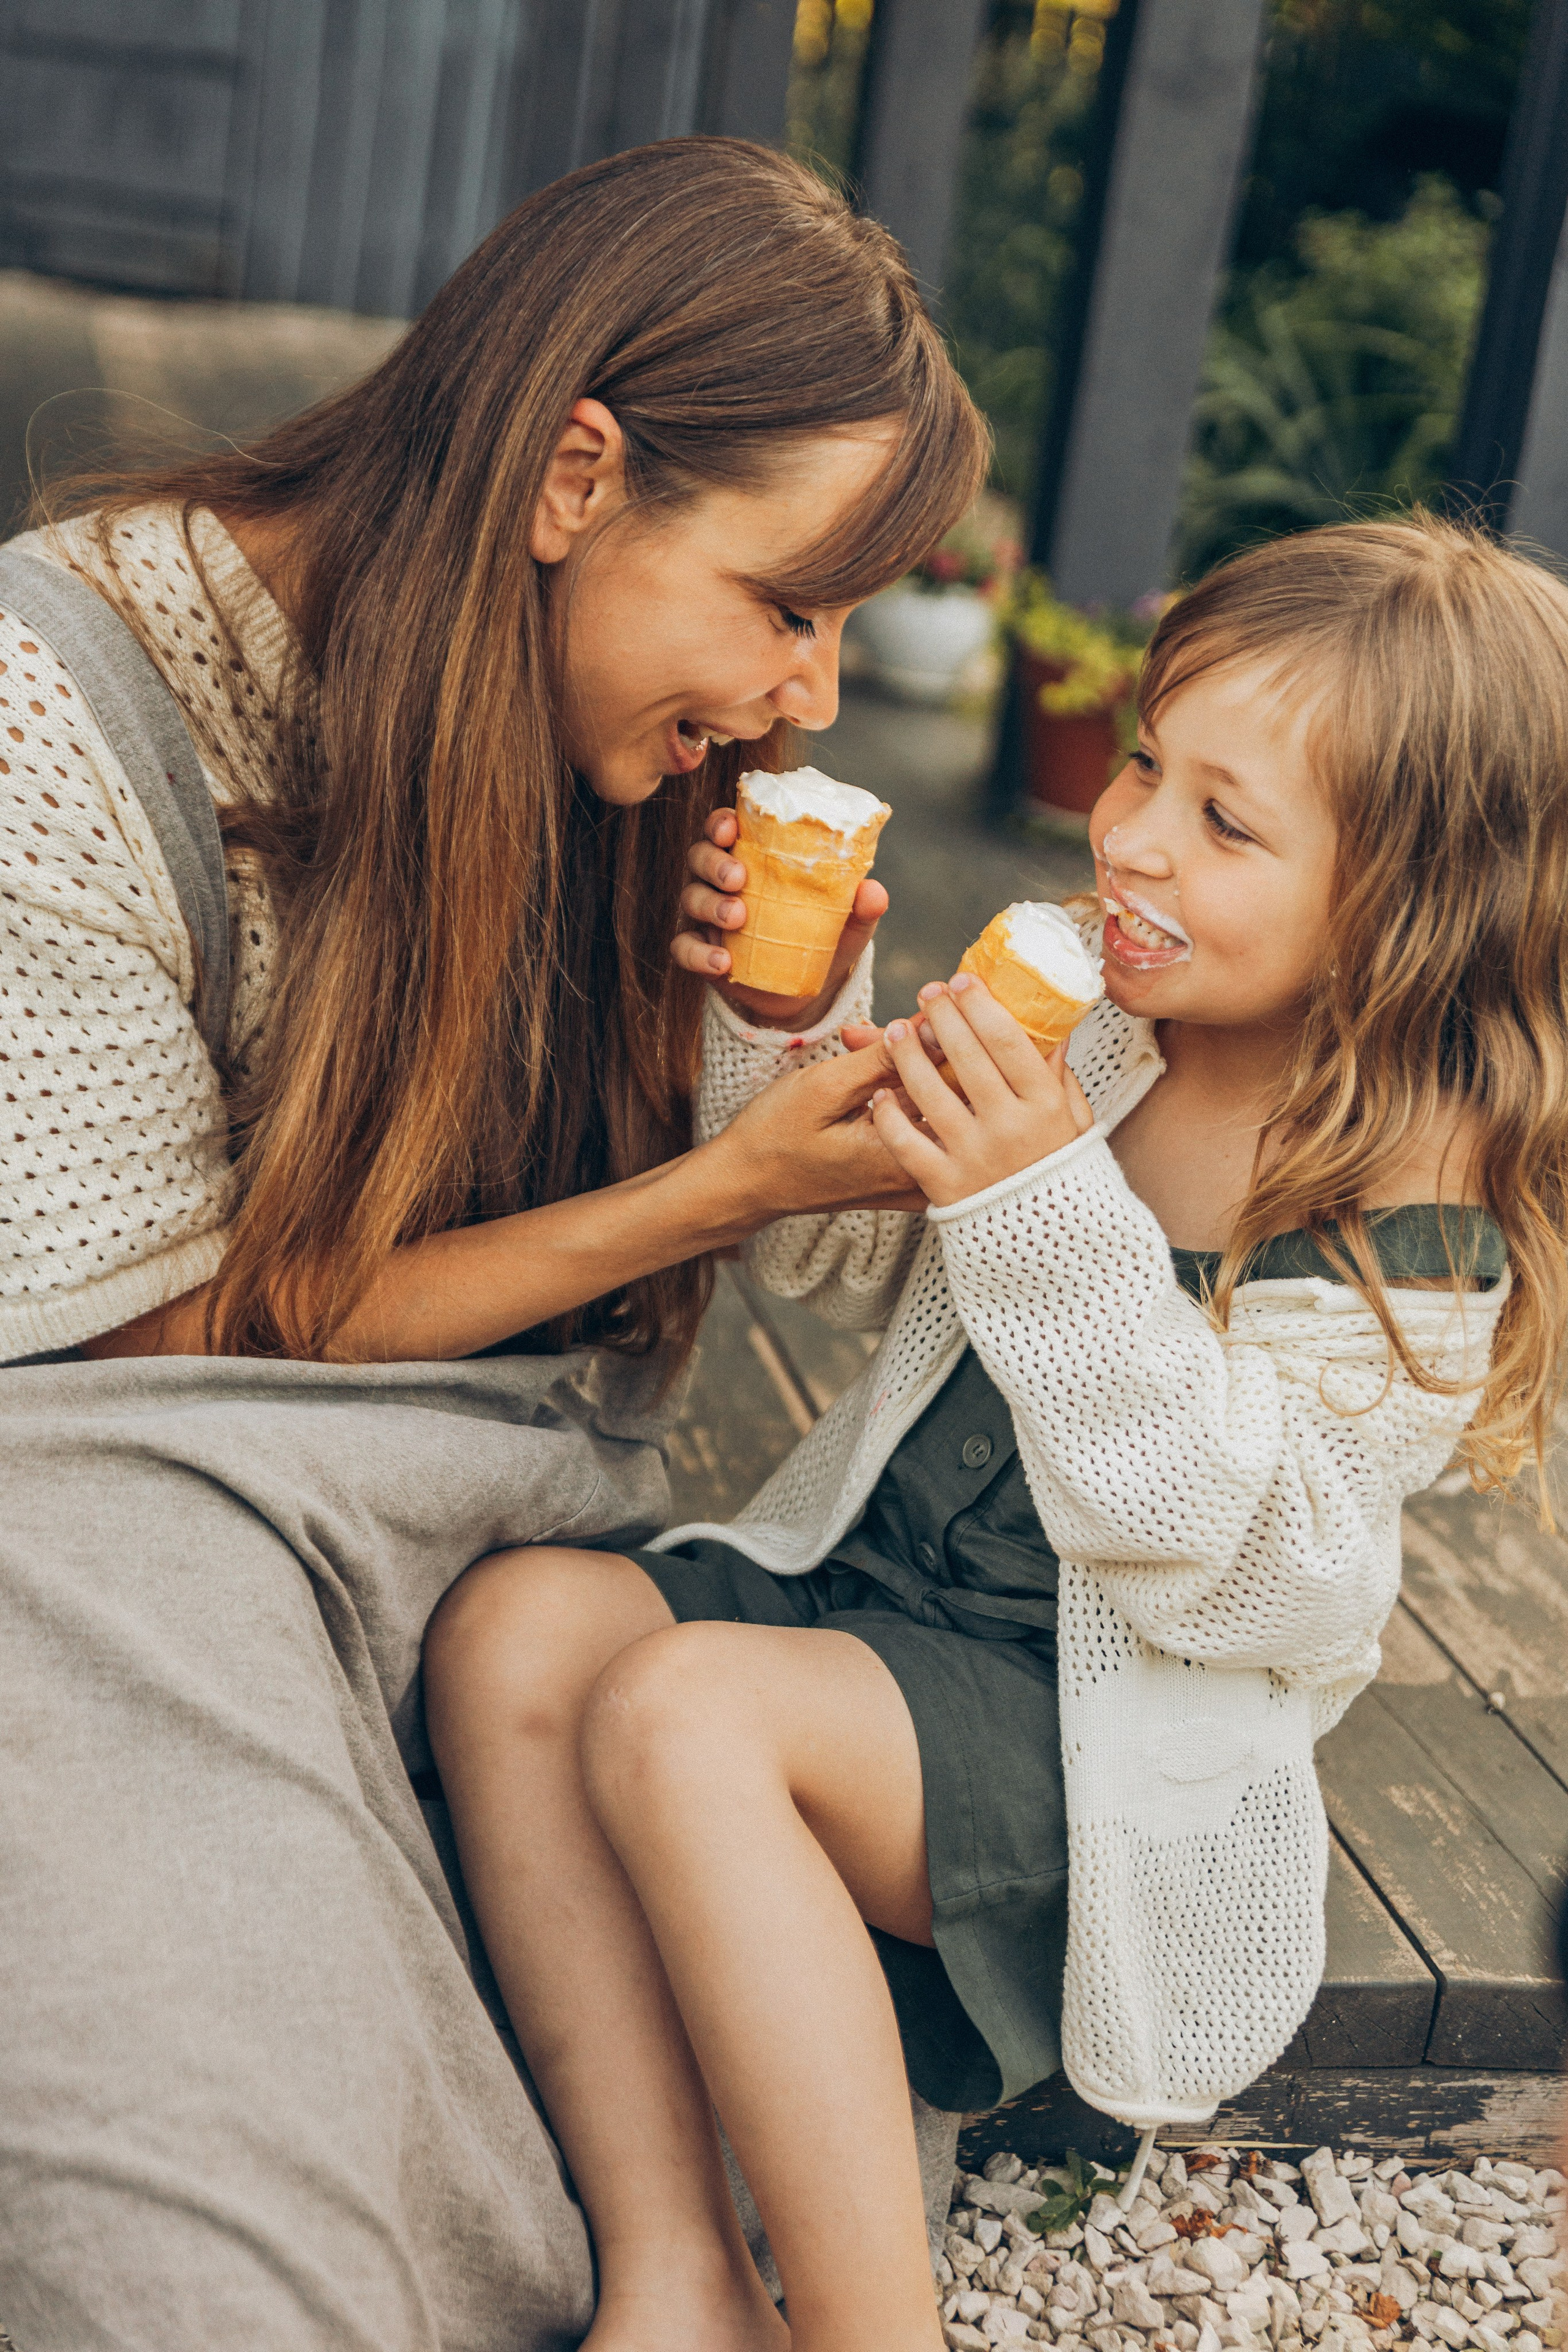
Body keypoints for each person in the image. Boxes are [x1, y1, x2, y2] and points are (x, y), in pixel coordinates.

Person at [0, 140, 986, 2348]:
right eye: (792, 604)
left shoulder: (655, 763)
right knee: (184, 2131)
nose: (818, 694)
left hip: (515, 1526)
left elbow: (845, 1282)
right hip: (119, 1494)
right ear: (571, 472)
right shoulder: (51, 706)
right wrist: (716, 1190)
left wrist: (771, 1043)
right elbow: (141, 1333)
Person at [425, 515, 1568, 2352]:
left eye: (1225, 821)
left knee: (681, 1710)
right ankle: (683, 2270)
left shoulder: (1402, 1222)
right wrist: (791, 1028)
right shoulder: (1106, 1031)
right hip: (876, 1608)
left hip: (1093, 1747)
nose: (1126, 836)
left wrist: (1042, 1203)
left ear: (1412, 912)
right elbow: (817, 1254)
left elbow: (1248, 1566)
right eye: (1142, 762)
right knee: (518, 1632)